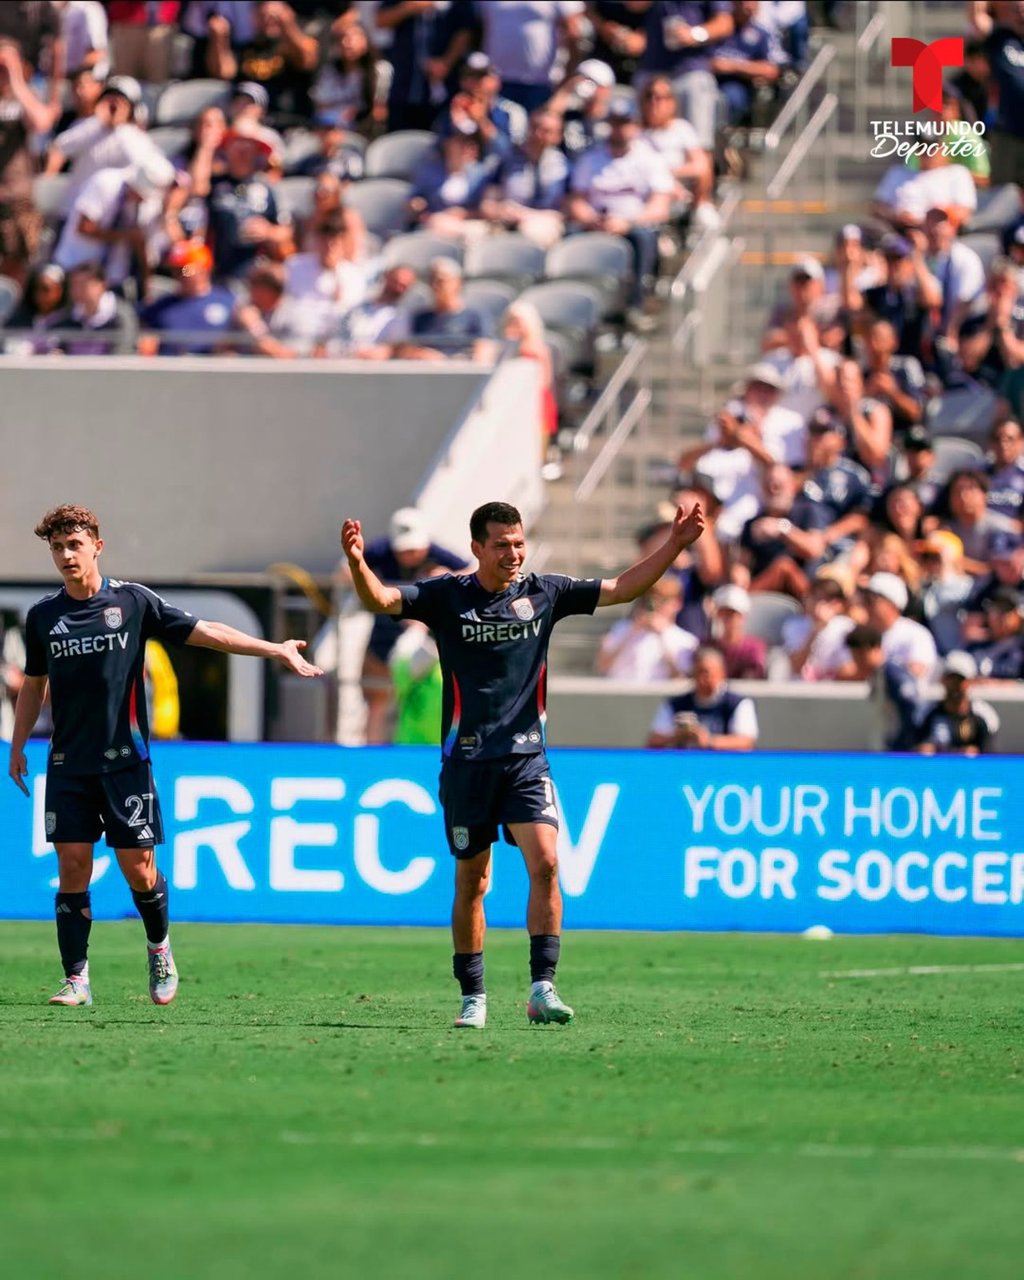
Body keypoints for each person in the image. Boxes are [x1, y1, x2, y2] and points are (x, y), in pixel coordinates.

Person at [341, 496, 705, 1028]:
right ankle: (474, 995)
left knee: (548, 863)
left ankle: (543, 987)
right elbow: (379, 600)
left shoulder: (546, 592)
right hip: (466, 764)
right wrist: (357, 562)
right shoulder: (447, 596)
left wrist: (674, 544)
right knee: (473, 882)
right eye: (501, 545)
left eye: (518, 544)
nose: (513, 554)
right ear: (477, 548)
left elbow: (622, 588)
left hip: (526, 760)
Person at [7, 503, 322, 1009]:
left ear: (97, 547)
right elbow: (33, 683)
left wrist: (274, 649)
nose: (67, 555)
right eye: (58, 547)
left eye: (75, 545)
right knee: (72, 865)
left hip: (126, 761)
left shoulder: (134, 602)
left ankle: (159, 947)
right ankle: (76, 978)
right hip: (68, 762)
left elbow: (210, 633)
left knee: (139, 869)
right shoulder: (44, 616)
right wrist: (19, 744)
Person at [351, 507, 469, 745]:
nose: (410, 555)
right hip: (385, 638)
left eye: (415, 549)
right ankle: (372, 754)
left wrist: (448, 576)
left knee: (431, 699)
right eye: (404, 550)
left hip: (428, 646)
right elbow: (348, 571)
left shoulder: (439, 554)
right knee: (378, 700)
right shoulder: (379, 552)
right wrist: (375, 585)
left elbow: (472, 571)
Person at [646, 644, 758, 750]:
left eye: (706, 673)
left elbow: (746, 742)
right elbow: (654, 740)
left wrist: (709, 741)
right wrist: (677, 736)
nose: (701, 678)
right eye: (697, 672)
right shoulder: (676, 704)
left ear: (721, 673)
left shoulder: (736, 703)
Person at [594, 574, 698, 680]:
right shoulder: (621, 628)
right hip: (621, 693)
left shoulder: (686, 640)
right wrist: (631, 632)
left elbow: (681, 678)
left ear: (677, 603)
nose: (656, 605)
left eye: (662, 601)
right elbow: (602, 666)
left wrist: (662, 636)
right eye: (651, 600)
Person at [915, 651, 999, 755]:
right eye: (951, 679)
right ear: (943, 681)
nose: (955, 686)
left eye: (960, 680)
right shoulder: (927, 713)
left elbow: (990, 754)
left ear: (970, 682)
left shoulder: (983, 715)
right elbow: (914, 746)